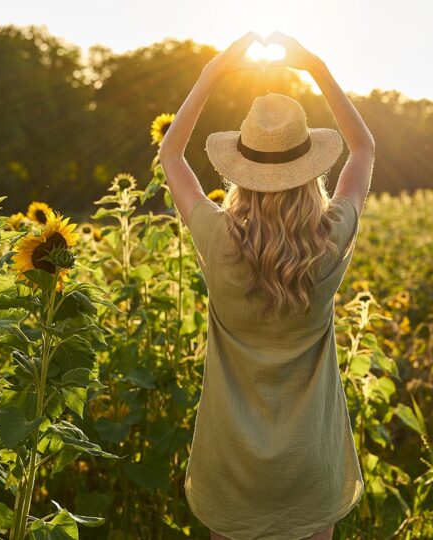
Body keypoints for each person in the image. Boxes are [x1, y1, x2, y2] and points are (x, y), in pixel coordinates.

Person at [158, 31, 375, 540]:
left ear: (241, 171)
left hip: (232, 466)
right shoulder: (330, 237)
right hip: (310, 462)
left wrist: (213, 72)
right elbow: (364, 148)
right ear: (310, 171)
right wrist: (316, 68)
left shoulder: (218, 238)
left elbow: (172, 156)